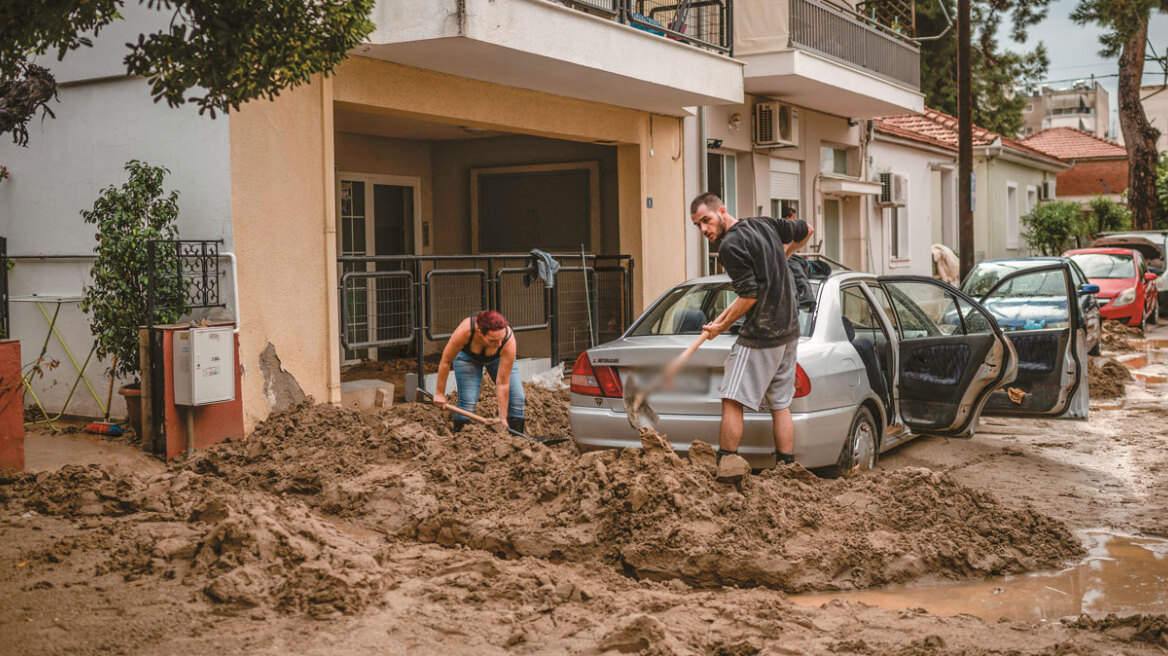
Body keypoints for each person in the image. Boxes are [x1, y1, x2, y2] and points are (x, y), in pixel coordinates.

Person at [689, 192, 813, 471]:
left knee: (732, 398)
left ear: (722, 211)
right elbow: (807, 229)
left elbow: (749, 296)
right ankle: (786, 468)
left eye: (706, 220)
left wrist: (721, 326)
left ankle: (727, 463)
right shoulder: (764, 224)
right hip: (789, 328)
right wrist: (787, 253)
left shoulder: (730, 246)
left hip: (762, 334)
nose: (704, 229)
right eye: (698, 225)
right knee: (780, 404)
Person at [432, 310, 525, 434]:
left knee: (517, 399)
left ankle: (518, 440)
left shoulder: (508, 340)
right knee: (468, 402)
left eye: (501, 339)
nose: (499, 344)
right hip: (467, 359)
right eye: (493, 340)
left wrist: (502, 417)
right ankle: (461, 440)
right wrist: (439, 393)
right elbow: (445, 362)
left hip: (498, 359)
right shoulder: (465, 331)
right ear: (480, 333)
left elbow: (503, 383)